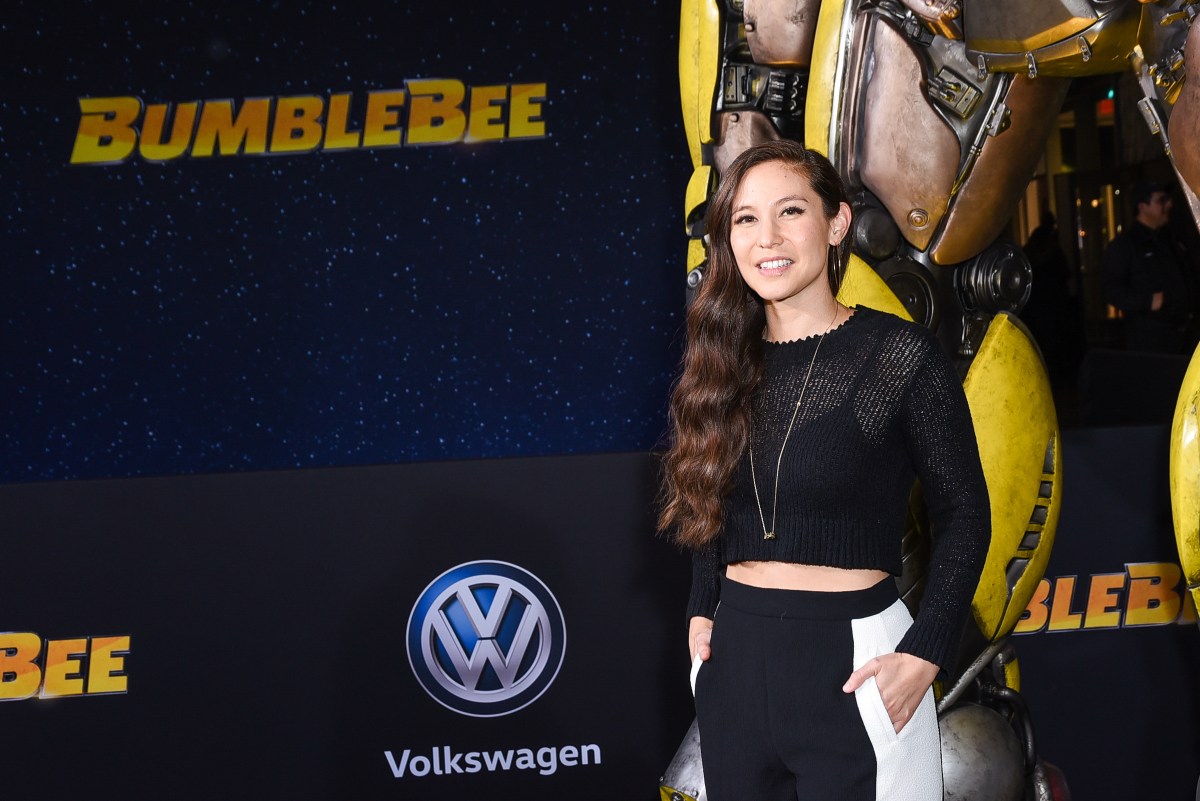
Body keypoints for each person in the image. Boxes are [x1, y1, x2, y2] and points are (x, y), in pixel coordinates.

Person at [658, 141, 991, 801]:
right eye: (745, 218)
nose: (767, 237)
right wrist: (701, 610)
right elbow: (707, 498)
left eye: (790, 211)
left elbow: (965, 513)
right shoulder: (721, 361)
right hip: (736, 662)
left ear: (837, 223)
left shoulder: (899, 356)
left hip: (857, 665)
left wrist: (927, 651)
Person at [1101, 181, 1193, 353]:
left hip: (1183, 336)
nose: (1169, 205)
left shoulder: (1171, 238)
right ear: (1142, 206)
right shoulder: (1125, 245)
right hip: (1150, 341)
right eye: (1161, 200)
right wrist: (1148, 301)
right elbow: (1110, 290)